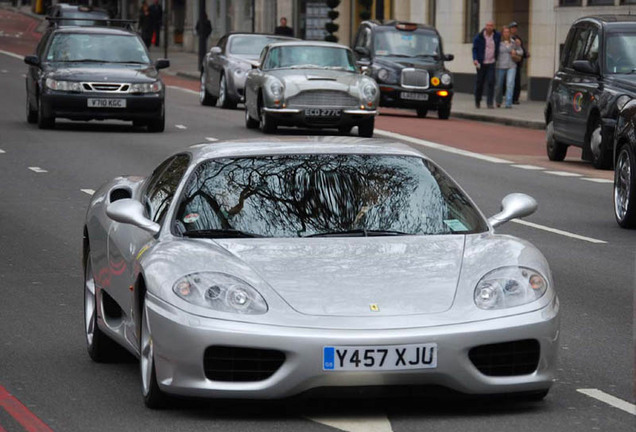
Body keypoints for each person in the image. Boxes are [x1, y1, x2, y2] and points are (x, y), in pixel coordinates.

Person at [472, 20, 500, 109]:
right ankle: (477, 100)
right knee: (480, 82)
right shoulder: (479, 37)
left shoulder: (496, 36)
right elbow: (474, 49)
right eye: (488, 25)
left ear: (493, 27)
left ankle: (490, 102)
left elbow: (498, 45)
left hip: (491, 62)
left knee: (491, 82)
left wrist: (496, 56)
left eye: (491, 26)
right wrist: (475, 59)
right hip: (481, 63)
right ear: (485, 26)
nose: (489, 27)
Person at [495, 26, 523, 109]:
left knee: (510, 84)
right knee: (499, 85)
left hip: (511, 65)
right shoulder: (498, 42)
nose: (506, 33)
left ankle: (508, 103)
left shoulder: (514, 42)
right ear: (502, 33)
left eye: (508, 32)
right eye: (505, 32)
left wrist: (515, 51)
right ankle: (498, 100)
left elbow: (521, 51)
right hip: (500, 65)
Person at [509, 21, 530, 104]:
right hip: (510, 63)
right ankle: (509, 97)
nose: (514, 29)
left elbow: (521, 49)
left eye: (515, 28)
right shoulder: (508, 38)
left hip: (517, 62)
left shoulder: (518, 38)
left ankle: (515, 98)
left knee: (517, 81)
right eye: (512, 28)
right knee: (510, 82)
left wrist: (525, 54)